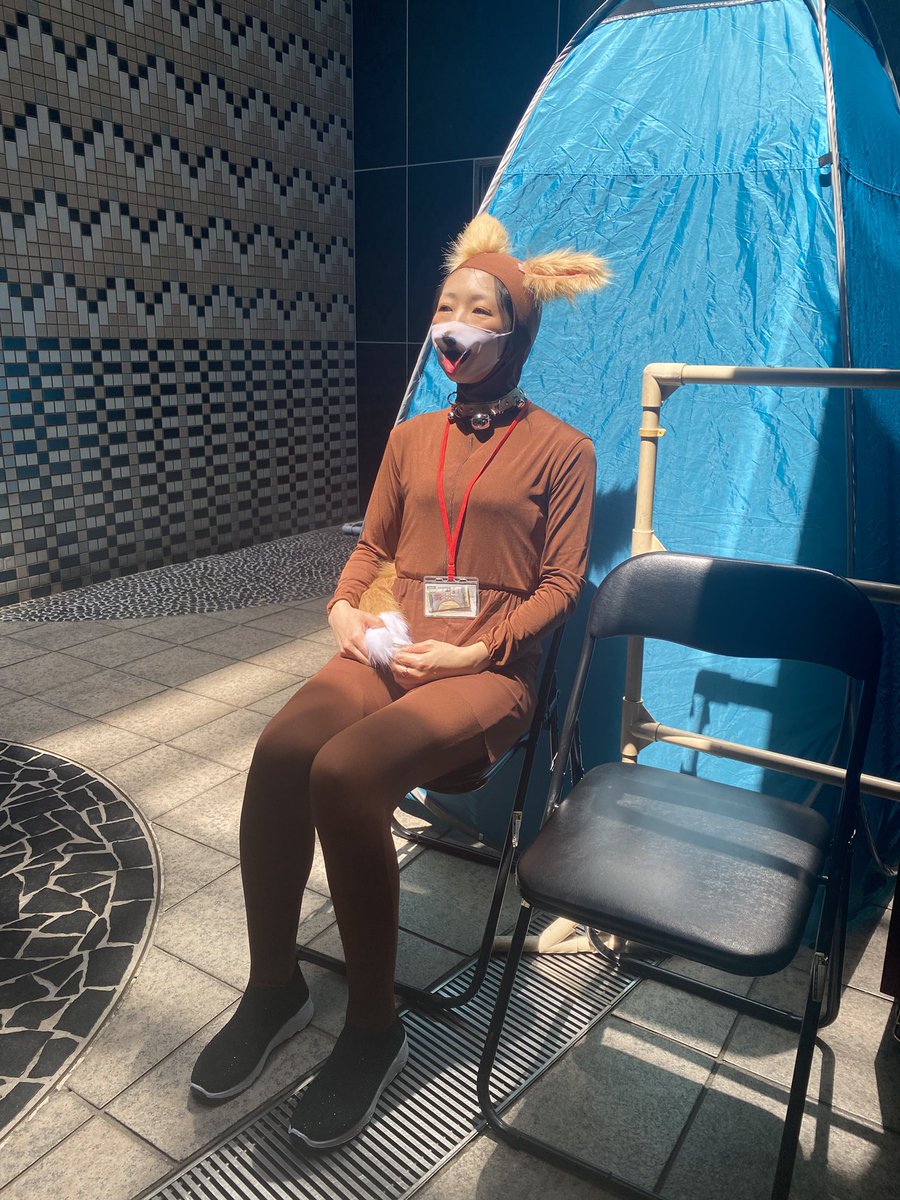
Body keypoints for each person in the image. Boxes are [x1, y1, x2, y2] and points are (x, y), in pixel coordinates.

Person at [189, 213, 609, 1148]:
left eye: (478, 310)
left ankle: (375, 1030)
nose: (454, 324)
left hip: (487, 672)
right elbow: (372, 546)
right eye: (445, 306)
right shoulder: (413, 437)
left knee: (345, 773)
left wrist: (476, 652)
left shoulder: (565, 450)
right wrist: (344, 612)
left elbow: (561, 586)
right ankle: (274, 987)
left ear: (516, 331)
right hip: (394, 643)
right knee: (281, 752)